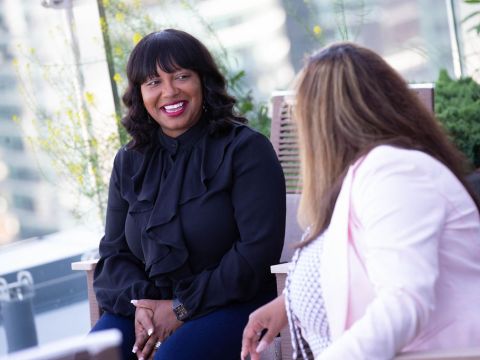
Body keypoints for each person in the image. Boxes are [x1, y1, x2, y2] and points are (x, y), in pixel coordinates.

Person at [241, 42, 480, 360]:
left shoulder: (394, 172)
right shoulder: (366, 176)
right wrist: (289, 303)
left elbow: (404, 301)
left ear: (323, 123)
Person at [91, 29, 286, 360]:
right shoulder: (129, 160)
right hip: (149, 308)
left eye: (182, 76)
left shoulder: (246, 150)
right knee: (95, 354)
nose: (169, 91)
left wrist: (181, 308)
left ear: (203, 82)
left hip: (235, 303)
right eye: (153, 82)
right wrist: (142, 306)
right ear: (140, 93)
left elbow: (256, 253)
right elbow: (114, 254)